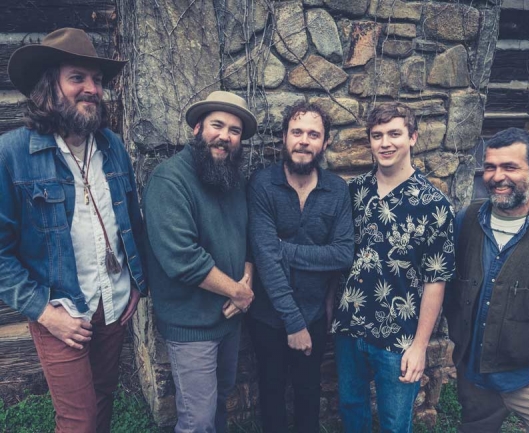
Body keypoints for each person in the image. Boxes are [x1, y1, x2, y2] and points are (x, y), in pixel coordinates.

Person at [0, 28, 147, 432]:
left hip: (113, 304)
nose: (92, 89)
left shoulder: (112, 145)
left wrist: (135, 281)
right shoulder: (13, 154)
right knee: (78, 419)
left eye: (97, 80)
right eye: (77, 78)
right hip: (60, 312)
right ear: (50, 86)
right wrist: (46, 314)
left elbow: (131, 221)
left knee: (102, 403)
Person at [444, 127, 529, 432]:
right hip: (475, 375)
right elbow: (448, 284)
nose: (497, 176)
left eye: (510, 167)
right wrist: (459, 331)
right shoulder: (467, 220)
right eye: (490, 167)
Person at [332, 102, 455, 432]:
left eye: (394, 134)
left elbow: (436, 280)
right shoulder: (354, 192)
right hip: (350, 325)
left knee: (394, 422)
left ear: (412, 138)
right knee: (351, 408)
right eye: (377, 135)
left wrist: (420, 347)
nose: (385, 143)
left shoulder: (434, 204)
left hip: (400, 336)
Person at [143, 91, 257, 433]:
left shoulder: (230, 178)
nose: (224, 136)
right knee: (198, 421)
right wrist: (238, 292)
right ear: (196, 129)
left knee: (220, 402)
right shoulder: (169, 180)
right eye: (216, 125)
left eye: (234, 130)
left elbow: (246, 237)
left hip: (228, 318)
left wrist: (246, 280)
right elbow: (182, 258)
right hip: (192, 324)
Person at [247, 101, 354, 433]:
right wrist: (293, 324)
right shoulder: (262, 185)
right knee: (272, 392)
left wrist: (284, 250)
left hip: (314, 313)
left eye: (313, 134)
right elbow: (265, 259)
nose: (304, 141)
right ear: (284, 137)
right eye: (297, 132)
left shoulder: (336, 190)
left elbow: (343, 254)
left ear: (325, 142)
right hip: (269, 315)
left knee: (309, 393)